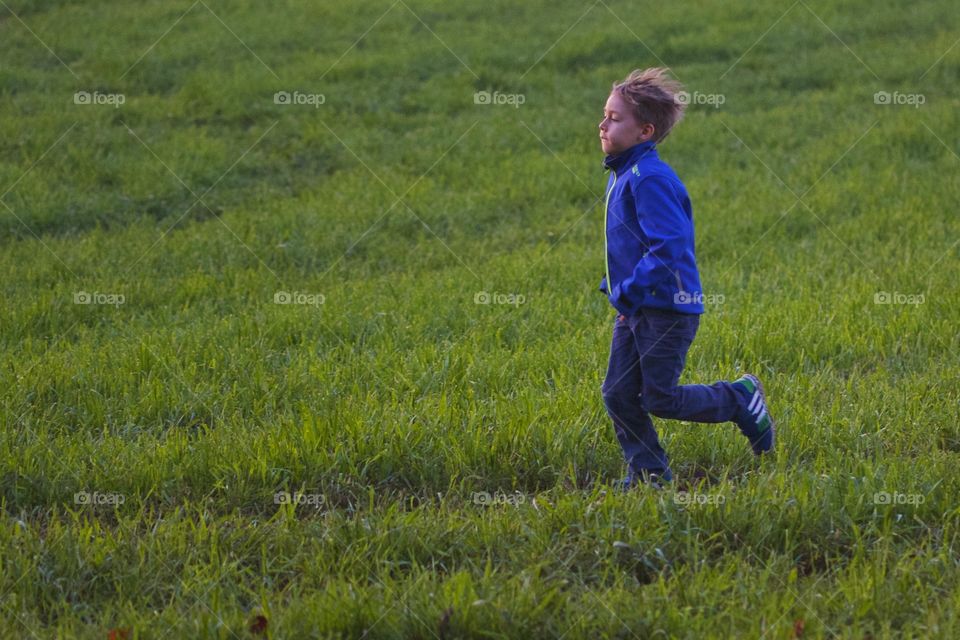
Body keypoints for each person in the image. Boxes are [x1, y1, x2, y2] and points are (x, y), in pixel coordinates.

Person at [597, 68, 775, 491]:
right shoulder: (623, 172)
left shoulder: (649, 178)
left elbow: (669, 245)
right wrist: (621, 291)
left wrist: (630, 290)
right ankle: (649, 474)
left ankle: (738, 398)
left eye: (614, 118)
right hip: (638, 308)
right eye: (604, 115)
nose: (603, 124)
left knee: (659, 398)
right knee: (618, 394)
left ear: (645, 130)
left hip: (666, 309)